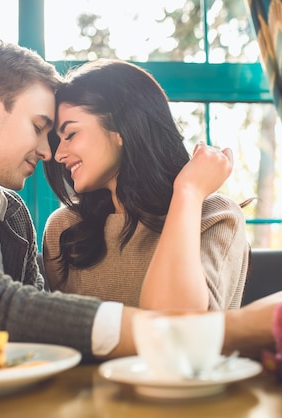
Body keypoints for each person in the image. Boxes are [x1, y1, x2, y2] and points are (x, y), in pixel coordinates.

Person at [0, 39, 282, 362]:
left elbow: (39, 343)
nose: (49, 154)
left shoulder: (13, 218)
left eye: (59, 134)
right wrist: (230, 330)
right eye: (40, 128)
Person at [43, 60, 248, 311]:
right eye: (58, 140)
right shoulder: (64, 229)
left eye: (71, 134)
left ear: (121, 127)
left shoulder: (215, 216)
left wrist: (189, 191)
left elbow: (179, 330)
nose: (58, 154)